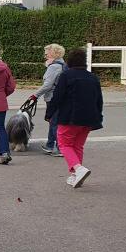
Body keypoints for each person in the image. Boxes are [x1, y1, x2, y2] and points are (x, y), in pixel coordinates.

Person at [47, 48, 102, 188]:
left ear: (69, 61)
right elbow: (99, 100)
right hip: (89, 118)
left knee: (64, 144)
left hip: (70, 117)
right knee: (78, 146)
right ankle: (76, 175)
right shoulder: (93, 77)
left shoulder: (66, 76)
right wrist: (98, 116)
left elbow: (57, 97)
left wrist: (49, 114)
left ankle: (78, 169)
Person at [29, 44, 67, 156]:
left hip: (53, 98)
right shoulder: (62, 65)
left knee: (55, 123)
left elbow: (48, 85)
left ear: (54, 54)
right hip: (59, 97)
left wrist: (35, 95)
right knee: (53, 122)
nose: (45, 55)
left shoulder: (54, 67)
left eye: (47, 53)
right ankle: (50, 145)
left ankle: (59, 148)